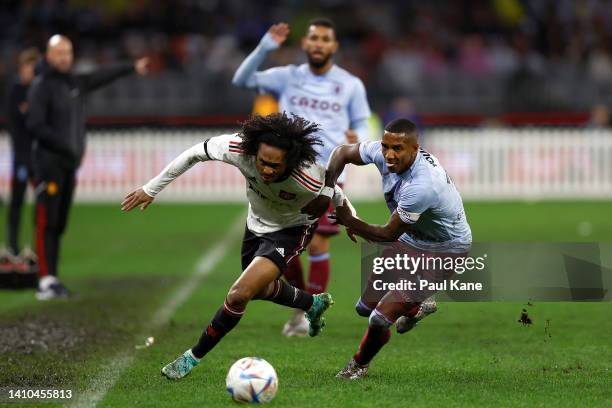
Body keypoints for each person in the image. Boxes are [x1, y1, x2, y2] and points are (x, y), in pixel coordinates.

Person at [122, 113, 344, 380]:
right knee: (258, 289)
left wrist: (347, 217)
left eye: (276, 166)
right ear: (254, 153)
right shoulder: (237, 148)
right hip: (255, 223)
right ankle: (312, 303)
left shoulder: (306, 175)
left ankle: (191, 358)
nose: (268, 170)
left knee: (239, 294)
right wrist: (152, 188)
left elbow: (339, 195)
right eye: (263, 162)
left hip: (291, 230)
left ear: (290, 161)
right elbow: (195, 152)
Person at [233, 18, 372, 336]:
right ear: (305, 44)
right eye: (314, 38)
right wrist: (265, 47)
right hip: (290, 171)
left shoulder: (350, 84)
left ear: (334, 46)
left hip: (328, 172)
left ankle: (307, 314)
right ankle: (303, 306)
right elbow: (242, 80)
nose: (319, 43)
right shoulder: (288, 77)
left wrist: (358, 136)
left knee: (319, 240)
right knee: (287, 246)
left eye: (325, 38)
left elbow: (363, 122)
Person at [302, 118, 472, 379]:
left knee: (380, 318)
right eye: (385, 146)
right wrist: (327, 192)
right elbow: (341, 153)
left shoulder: (423, 186)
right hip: (411, 240)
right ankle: (419, 305)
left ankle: (358, 365)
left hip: (445, 250)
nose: (389, 155)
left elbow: (387, 233)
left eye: (398, 149)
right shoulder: (383, 153)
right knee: (364, 307)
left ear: (415, 149)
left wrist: (351, 222)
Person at [27, 34, 150, 300]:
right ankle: (45, 281)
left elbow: (102, 75)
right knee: (46, 221)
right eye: (59, 53)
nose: (65, 57)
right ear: (48, 56)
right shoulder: (41, 86)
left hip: (67, 165)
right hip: (48, 164)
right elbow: (34, 125)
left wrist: (131, 67)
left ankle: (52, 280)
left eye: (68, 52)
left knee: (58, 224)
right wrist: (64, 145)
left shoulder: (74, 83)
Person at [3, 47, 39, 274]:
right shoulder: (16, 91)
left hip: (39, 157)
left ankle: (38, 248)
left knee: (42, 204)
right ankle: (12, 246)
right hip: (22, 157)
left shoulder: (40, 90)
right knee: (16, 203)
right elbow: (16, 124)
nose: (31, 71)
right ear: (22, 68)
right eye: (28, 67)